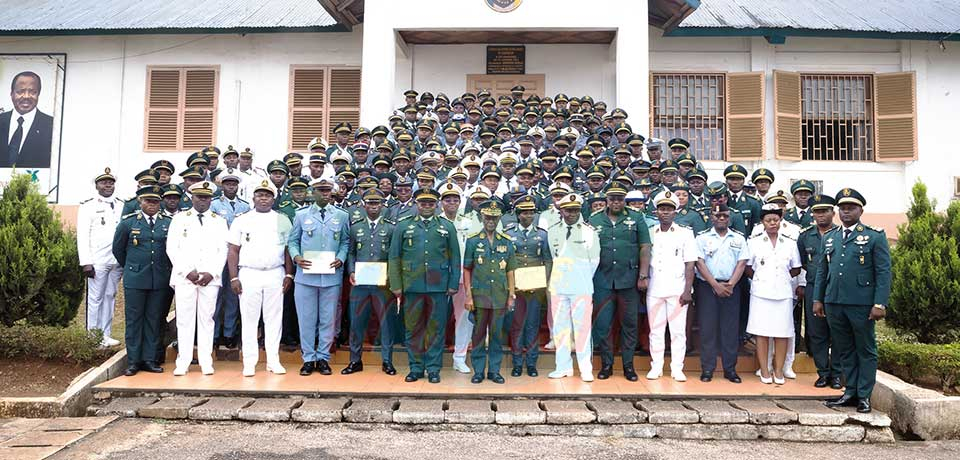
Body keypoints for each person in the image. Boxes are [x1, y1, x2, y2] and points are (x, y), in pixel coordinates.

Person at [816, 188, 891, 414]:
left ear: (861, 210)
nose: (846, 211)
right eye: (843, 208)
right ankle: (850, 392)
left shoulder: (874, 235)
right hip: (834, 301)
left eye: (851, 208)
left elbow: (883, 271)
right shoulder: (830, 237)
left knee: (865, 349)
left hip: (861, 303)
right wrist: (818, 299)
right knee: (844, 348)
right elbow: (822, 270)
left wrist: (880, 303)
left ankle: (864, 395)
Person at [388, 187, 461, 384]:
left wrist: (453, 283)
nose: (427, 206)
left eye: (430, 203)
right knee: (413, 329)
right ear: (416, 204)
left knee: (436, 329)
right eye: (423, 203)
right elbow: (394, 257)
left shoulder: (447, 226)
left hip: (438, 286)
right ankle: (416, 367)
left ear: (436, 204)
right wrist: (396, 284)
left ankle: (434, 368)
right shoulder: (403, 226)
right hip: (412, 285)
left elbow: (455, 256)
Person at [226, 179, 294, 376]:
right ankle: (249, 362)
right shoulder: (242, 219)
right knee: (249, 320)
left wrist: (289, 274)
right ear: (253, 198)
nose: (263, 198)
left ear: (273, 199)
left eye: (268, 195)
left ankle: (273, 360)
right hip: (249, 273)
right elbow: (233, 250)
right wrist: (233, 277)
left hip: (275, 272)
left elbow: (288, 249)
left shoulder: (282, 219)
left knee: (274, 320)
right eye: (260, 195)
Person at [288, 177, 351, 376]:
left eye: (327, 191)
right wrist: (296, 257)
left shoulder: (341, 216)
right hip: (305, 277)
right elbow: (293, 241)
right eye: (320, 191)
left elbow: (345, 241)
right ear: (313, 193)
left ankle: (323, 357)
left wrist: (341, 258)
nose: (324, 194)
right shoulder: (301, 215)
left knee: (328, 319)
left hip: (330, 277)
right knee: (306, 319)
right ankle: (308, 358)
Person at [589, 183, 651, 381]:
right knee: (603, 324)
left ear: (624, 200)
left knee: (629, 324)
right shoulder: (595, 218)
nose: (616, 202)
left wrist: (643, 275)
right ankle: (607, 365)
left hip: (629, 280)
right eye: (612, 198)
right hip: (603, 280)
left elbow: (645, 247)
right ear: (607, 199)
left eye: (620, 199)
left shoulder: (636, 217)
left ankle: (628, 366)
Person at [166, 181, 229, 376]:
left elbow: (224, 249)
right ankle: (183, 361)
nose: (203, 201)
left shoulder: (218, 220)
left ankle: (206, 360)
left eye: (206, 197)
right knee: (184, 320)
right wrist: (187, 271)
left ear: (211, 199)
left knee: (207, 319)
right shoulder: (179, 219)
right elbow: (172, 248)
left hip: (209, 278)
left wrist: (212, 272)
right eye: (199, 197)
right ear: (191, 198)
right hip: (185, 277)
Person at [112, 185, 171, 376]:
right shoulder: (128, 223)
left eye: (155, 201)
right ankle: (133, 361)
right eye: (148, 201)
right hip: (136, 279)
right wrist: (132, 266)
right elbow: (118, 250)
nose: (152, 205)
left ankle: (150, 359)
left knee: (154, 320)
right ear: (141, 202)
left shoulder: (167, 223)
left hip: (159, 278)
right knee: (134, 320)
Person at [342, 188, 399, 376]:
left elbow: (394, 255)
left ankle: (387, 361)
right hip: (360, 283)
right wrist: (350, 271)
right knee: (357, 323)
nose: (373, 206)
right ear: (363, 205)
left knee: (386, 324)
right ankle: (355, 361)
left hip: (383, 284)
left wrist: (391, 275)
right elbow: (350, 252)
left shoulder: (391, 227)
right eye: (370, 203)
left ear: (382, 205)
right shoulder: (356, 227)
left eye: (377, 203)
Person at [745, 204, 802, 385]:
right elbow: (748, 268)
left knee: (782, 333)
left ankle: (778, 371)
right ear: (762, 222)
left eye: (776, 220)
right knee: (762, 333)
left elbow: (796, 268)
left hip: (783, 293)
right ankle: (764, 370)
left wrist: (781, 279)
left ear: (780, 221)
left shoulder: (790, 242)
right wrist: (763, 278)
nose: (772, 223)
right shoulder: (753, 242)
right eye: (768, 220)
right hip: (761, 292)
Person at [546, 193, 600, 382]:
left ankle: (585, 368)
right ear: (561, 210)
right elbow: (553, 258)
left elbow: (594, 261)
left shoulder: (589, 232)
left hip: (582, 286)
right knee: (560, 329)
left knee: (583, 328)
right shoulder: (552, 231)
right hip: (559, 285)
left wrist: (580, 277)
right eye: (567, 210)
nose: (571, 214)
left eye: (575, 210)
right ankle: (563, 367)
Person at [462, 200, 516, 384]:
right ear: (482, 218)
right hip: (479, 296)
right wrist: (468, 295)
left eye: (494, 217)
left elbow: (510, 270)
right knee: (478, 335)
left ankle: (494, 371)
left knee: (496, 335)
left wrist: (511, 295)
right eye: (487, 217)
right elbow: (467, 269)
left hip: (499, 296)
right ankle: (478, 371)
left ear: (499, 218)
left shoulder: (506, 242)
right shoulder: (473, 240)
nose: (491, 221)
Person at [646, 190, 697, 381]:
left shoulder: (685, 233)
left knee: (677, 331)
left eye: (669, 209)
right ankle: (656, 366)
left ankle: (677, 368)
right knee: (656, 330)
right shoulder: (650, 232)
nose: (665, 212)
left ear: (675, 212)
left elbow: (690, 263)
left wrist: (687, 291)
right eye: (662, 209)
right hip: (655, 289)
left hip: (677, 289)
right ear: (656, 211)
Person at [694, 204, 748, 383]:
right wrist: (715, 285)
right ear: (711, 217)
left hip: (731, 287)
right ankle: (707, 369)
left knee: (730, 330)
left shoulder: (739, 238)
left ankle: (730, 369)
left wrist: (730, 284)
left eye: (725, 215)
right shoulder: (702, 238)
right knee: (707, 329)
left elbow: (741, 263)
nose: (721, 218)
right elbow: (699, 263)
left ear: (729, 217)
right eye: (718, 215)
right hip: (707, 287)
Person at [796, 194, 842, 389]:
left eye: (825, 211)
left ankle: (837, 374)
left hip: (838, 289)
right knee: (816, 332)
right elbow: (803, 263)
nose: (821, 215)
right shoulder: (805, 235)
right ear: (812, 214)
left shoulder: (842, 234)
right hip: (814, 287)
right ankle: (823, 372)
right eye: (817, 211)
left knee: (838, 332)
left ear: (833, 212)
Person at [77, 168, 125, 347]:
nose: (107, 185)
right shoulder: (88, 206)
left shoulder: (122, 205)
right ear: (96, 185)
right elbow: (82, 235)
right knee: (95, 298)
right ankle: (93, 336)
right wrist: (86, 262)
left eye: (110, 182)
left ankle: (106, 334)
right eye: (103, 182)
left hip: (116, 260)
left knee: (110, 295)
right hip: (97, 260)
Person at [505, 195, 551, 377]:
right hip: (515, 285)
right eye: (524, 212)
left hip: (535, 285)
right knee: (516, 325)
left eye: (531, 212)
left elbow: (547, 259)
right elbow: (507, 260)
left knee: (532, 324)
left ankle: (531, 363)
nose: (528, 216)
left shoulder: (542, 234)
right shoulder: (509, 234)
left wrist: (544, 281)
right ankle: (517, 363)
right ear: (518, 214)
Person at [209, 171, 251, 350]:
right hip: (218, 253)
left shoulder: (245, 207)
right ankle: (215, 333)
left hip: (238, 255)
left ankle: (229, 333)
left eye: (234, 184)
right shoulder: (213, 205)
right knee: (216, 295)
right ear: (222, 186)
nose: (231, 187)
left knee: (234, 294)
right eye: (227, 184)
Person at [1, 71, 53, 168]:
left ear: (38, 94)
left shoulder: (52, 126)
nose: (26, 96)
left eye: (33, 92)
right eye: (20, 91)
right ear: (11, 94)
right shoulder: (1, 120)